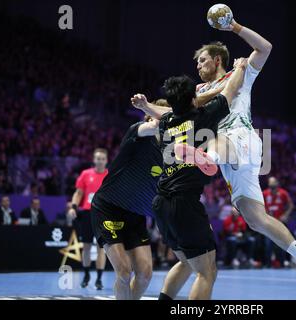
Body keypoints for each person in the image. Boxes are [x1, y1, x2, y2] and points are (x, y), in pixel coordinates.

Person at [140, 19, 296, 298]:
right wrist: (145, 106)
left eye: (202, 61)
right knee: (255, 218)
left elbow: (265, 48)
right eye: (197, 63)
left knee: (211, 137)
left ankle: (204, 157)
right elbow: (172, 115)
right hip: (229, 158)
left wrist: (234, 27)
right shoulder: (198, 92)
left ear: (217, 60)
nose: (198, 66)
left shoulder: (240, 72)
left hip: (240, 138)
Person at [133, 58, 247, 300]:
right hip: (184, 203)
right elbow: (231, 90)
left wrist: (145, 107)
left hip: (161, 204)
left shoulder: (165, 123)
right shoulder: (203, 117)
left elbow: (162, 112)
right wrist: (241, 67)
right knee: (207, 273)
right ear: (193, 99)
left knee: (186, 262)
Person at [90, 114, 163, 300]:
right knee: (123, 271)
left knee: (145, 274)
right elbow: (152, 126)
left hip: (135, 213)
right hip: (108, 208)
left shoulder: (171, 150)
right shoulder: (137, 133)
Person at [68, 148, 109, 290]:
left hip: (103, 215)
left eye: (103, 159)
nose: (100, 161)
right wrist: (73, 207)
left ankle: (98, 279)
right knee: (86, 247)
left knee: (101, 248)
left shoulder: (110, 175)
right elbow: (78, 193)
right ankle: (86, 275)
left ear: (106, 160)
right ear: (94, 160)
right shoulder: (85, 174)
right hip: (87, 214)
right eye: (98, 158)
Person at [263, 177, 293, 267]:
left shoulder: (283, 193)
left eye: (272, 182)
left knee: (282, 243)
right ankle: (267, 264)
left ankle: (282, 262)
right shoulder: (264, 193)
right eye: (269, 182)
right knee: (268, 243)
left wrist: (286, 215)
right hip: (269, 223)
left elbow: (290, 205)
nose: (271, 184)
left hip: (280, 222)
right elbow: (259, 206)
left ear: (277, 183)